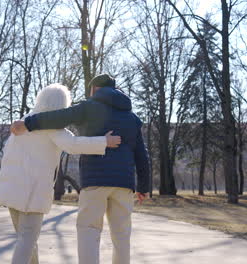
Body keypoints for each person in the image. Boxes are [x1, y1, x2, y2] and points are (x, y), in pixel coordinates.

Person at [10, 74, 150, 264]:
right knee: (122, 236)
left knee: (89, 231)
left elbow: (58, 117)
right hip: (124, 184)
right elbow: (142, 155)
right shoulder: (132, 118)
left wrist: (28, 123)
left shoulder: (89, 107)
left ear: (94, 89)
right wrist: (143, 186)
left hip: (94, 182)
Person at [0, 83, 122, 264]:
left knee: (26, 239)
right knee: (27, 240)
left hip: (11, 190)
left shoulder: (24, 121)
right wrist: (104, 141)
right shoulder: (50, 127)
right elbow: (73, 145)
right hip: (32, 192)